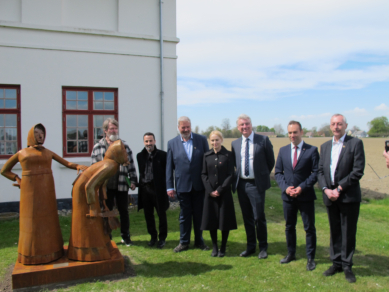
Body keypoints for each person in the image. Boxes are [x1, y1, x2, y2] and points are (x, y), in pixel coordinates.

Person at [0, 124, 88, 264]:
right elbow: (4, 170)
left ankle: (53, 250)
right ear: (31, 135)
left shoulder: (48, 152)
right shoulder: (22, 153)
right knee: (31, 219)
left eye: (42, 133)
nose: (40, 136)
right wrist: (18, 179)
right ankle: (31, 253)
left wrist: (78, 166)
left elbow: (65, 162)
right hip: (30, 190)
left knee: (49, 218)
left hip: (47, 188)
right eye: (37, 133)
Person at [318, 114, 365, 283]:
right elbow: (320, 171)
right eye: (333, 124)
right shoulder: (324, 146)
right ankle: (336, 263)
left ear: (345, 125)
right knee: (335, 231)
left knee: (348, 232)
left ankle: (347, 266)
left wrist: (339, 188)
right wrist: (325, 189)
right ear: (330, 126)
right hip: (330, 197)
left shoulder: (355, 143)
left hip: (348, 197)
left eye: (339, 124)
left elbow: (357, 171)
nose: (336, 127)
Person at [68, 140, 129, 261]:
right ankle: (87, 250)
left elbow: (102, 184)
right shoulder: (110, 165)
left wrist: (104, 202)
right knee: (89, 219)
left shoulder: (112, 164)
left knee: (97, 218)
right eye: (123, 151)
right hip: (82, 190)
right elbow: (89, 186)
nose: (126, 154)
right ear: (117, 153)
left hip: (86, 188)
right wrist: (91, 207)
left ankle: (101, 246)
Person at [275, 121, 319, 271]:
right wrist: (286, 188)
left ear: (301, 132)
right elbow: (278, 173)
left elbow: (316, 173)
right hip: (288, 197)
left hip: (305, 196)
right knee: (289, 226)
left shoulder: (312, 150)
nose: (292, 135)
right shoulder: (283, 150)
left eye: (295, 132)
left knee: (309, 228)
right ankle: (291, 254)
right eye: (290, 133)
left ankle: (311, 258)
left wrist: (302, 187)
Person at [231, 114, 275, 259]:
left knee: (258, 217)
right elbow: (235, 164)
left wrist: (261, 176)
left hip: (256, 185)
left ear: (251, 124)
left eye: (247, 124)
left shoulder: (263, 140)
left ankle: (263, 247)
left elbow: (270, 161)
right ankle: (251, 246)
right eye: (242, 125)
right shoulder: (235, 143)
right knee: (247, 217)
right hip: (242, 185)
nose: (245, 127)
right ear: (238, 127)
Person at [91, 118, 138, 246]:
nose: (114, 130)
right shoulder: (98, 147)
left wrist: (133, 180)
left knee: (124, 211)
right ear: (105, 131)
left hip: (122, 183)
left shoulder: (124, 146)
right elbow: (93, 168)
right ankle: (108, 237)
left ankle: (126, 237)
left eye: (115, 128)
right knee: (107, 211)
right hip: (105, 186)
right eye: (111, 128)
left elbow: (131, 165)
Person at [166, 116, 210, 252]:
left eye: (188, 127)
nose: (186, 130)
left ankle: (199, 241)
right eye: (183, 127)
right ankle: (184, 242)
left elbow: (207, 162)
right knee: (184, 216)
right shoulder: (172, 143)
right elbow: (169, 166)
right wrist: (169, 186)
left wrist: (209, 184)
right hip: (182, 186)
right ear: (178, 128)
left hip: (199, 185)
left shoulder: (201, 140)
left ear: (191, 126)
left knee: (199, 214)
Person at [201, 131, 237, 257]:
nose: (214, 143)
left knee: (224, 221)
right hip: (210, 195)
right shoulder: (206, 155)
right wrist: (210, 190)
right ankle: (214, 247)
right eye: (212, 140)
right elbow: (203, 174)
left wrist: (220, 189)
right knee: (212, 221)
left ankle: (223, 247)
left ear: (221, 140)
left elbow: (230, 174)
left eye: (217, 140)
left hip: (224, 193)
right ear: (209, 141)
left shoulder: (228, 155)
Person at [136, 132, 169, 249]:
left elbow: (168, 173)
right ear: (144, 142)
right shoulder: (140, 156)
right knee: (148, 215)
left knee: (161, 214)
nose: (149, 143)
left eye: (151, 141)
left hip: (158, 190)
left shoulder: (163, 155)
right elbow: (141, 173)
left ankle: (162, 238)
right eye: (146, 141)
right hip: (145, 190)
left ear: (154, 141)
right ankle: (153, 237)